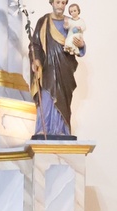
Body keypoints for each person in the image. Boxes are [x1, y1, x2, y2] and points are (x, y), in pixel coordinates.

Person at [30, 0, 85, 138]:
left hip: (65, 67)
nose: (60, 6)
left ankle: (62, 130)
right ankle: (43, 129)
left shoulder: (71, 22)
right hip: (47, 67)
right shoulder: (43, 21)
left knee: (63, 99)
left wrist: (81, 45)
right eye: (57, 2)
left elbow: (78, 40)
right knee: (46, 97)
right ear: (52, 3)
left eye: (63, 3)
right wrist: (36, 60)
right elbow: (35, 44)